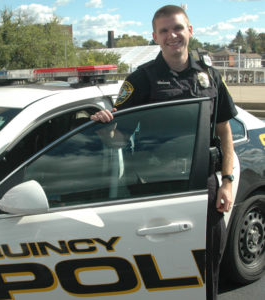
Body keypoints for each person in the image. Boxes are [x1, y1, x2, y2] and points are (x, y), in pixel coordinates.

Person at [91, 4, 237, 300]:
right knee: (160, 266)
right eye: (165, 30)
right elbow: (119, 141)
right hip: (156, 186)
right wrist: (105, 128)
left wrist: (227, 182)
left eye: (178, 28)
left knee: (208, 265)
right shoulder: (141, 79)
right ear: (155, 37)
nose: (173, 35)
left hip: (203, 185)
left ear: (190, 31)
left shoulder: (210, 76)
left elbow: (224, 132)